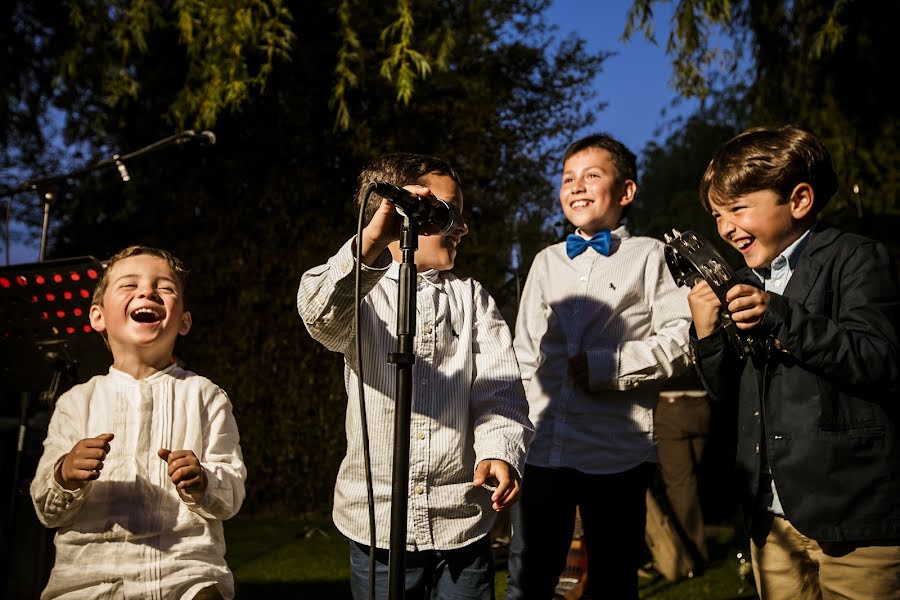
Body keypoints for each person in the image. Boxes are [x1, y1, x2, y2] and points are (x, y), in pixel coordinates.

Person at [297, 153, 533, 599]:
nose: (461, 227)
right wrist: (370, 241)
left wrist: (500, 449)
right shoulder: (362, 294)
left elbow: (499, 390)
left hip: (459, 517)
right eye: (447, 214)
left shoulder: (472, 299)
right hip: (378, 523)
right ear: (401, 215)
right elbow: (319, 315)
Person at [688, 124, 900, 599]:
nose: (724, 227)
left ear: (800, 200)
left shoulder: (856, 258)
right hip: (771, 517)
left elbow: (879, 358)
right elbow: (730, 393)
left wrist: (779, 315)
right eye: (717, 214)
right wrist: (706, 335)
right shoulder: (741, 281)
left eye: (738, 208)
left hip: (853, 513)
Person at [508, 133, 692, 599]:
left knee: (612, 580)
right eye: (568, 177)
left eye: (593, 175)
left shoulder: (652, 256)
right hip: (545, 448)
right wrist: (515, 435)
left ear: (626, 192)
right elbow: (524, 353)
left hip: (616, 449)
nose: (577, 186)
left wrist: (610, 367)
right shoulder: (546, 262)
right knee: (531, 577)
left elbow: (681, 340)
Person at [30, 246, 246, 600]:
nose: (147, 292)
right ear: (97, 317)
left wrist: (204, 481)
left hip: (185, 573)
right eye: (129, 285)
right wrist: (64, 474)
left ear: (184, 322)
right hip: (87, 578)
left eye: (165, 288)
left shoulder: (205, 395)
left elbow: (232, 494)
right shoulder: (77, 402)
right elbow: (47, 511)